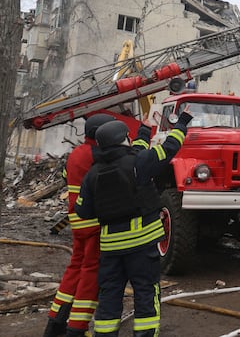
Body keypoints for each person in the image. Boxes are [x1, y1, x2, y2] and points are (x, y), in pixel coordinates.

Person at [75, 112, 191, 336]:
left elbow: (83, 211)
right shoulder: (139, 163)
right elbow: (169, 148)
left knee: (110, 296)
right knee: (146, 293)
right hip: (142, 247)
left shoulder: (92, 174)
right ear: (123, 139)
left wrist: (145, 130)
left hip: (110, 250)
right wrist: (182, 124)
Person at [43, 114, 114, 337]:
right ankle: (77, 327)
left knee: (75, 267)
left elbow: (67, 176)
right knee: (91, 272)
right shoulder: (99, 156)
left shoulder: (76, 153)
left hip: (77, 221)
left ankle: (56, 320)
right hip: (94, 223)